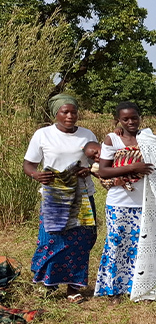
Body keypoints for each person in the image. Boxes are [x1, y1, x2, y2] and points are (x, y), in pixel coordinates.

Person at [22, 94, 99, 303]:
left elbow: (99, 161)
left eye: (73, 111)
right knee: (51, 240)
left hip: (81, 196)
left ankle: (73, 288)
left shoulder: (87, 134)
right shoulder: (43, 134)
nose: (70, 116)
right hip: (54, 197)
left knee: (82, 241)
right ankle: (48, 283)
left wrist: (89, 169)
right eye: (65, 112)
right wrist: (36, 175)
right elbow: (28, 164)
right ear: (55, 113)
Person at [92, 102, 154, 300]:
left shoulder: (147, 136)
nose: (130, 122)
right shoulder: (113, 139)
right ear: (118, 120)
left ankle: (137, 287)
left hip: (144, 201)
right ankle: (112, 290)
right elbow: (103, 170)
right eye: (125, 119)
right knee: (116, 244)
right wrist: (133, 168)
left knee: (140, 245)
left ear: (140, 117)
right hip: (119, 202)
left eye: (134, 117)